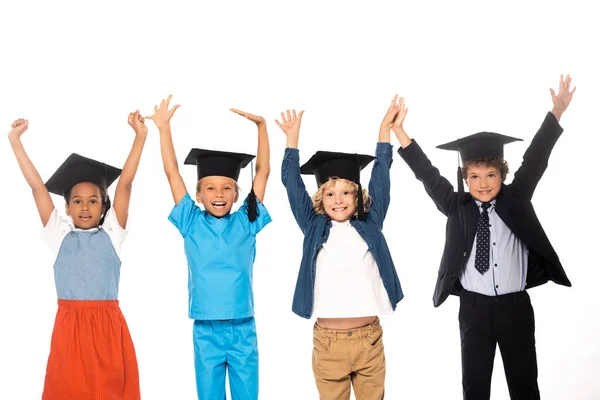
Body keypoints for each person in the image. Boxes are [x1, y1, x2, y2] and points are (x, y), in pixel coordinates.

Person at [393, 75, 576, 399]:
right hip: (474, 309)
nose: (483, 183)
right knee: (474, 386)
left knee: (524, 384)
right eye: (474, 176)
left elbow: (536, 157)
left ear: (502, 175)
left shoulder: (516, 199)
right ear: (465, 177)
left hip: (514, 307)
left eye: (491, 175)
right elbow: (427, 174)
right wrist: (400, 132)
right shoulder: (456, 206)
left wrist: (556, 112)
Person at [7, 110, 149, 399]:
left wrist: (140, 136)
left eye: (93, 201)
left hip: (107, 329)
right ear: (68, 208)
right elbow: (37, 187)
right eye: (77, 201)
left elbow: (126, 184)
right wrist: (15, 141)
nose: (85, 207)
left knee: (107, 390)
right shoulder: (59, 236)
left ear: (104, 206)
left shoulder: (112, 233)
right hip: (69, 330)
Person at [276, 96, 406, 400]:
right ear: (320, 196)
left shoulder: (370, 223)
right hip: (328, 342)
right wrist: (291, 139)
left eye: (347, 192)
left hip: (369, 339)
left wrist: (383, 132)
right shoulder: (313, 227)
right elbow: (292, 185)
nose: (339, 199)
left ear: (358, 195)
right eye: (331, 193)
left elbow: (381, 179)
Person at [145, 95, 272, 400]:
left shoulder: (247, 219)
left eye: (227, 187)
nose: (219, 194)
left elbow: (263, 172)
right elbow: (172, 172)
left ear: (236, 193)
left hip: (243, 328)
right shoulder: (190, 220)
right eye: (210, 188)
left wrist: (262, 127)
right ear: (198, 194)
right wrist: (163, 128)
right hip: (205, 330)